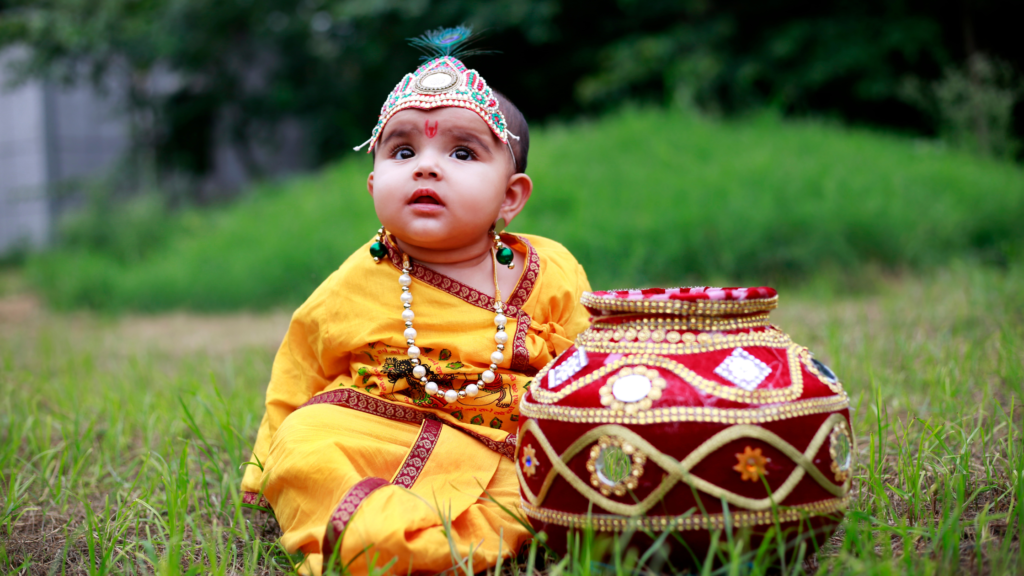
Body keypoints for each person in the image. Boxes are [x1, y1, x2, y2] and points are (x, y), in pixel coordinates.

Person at [240, 27, 592, 575]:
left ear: (510, 197)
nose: (426, 166)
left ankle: (438, 545)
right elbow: (299, 369)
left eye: (461, 151)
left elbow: (590, 366)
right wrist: (265, 465)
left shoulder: (551, 271)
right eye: (403, 150)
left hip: (501, 442)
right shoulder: (358, 278)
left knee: (537, 481)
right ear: (374, 182)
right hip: (373, 427)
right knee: (306, 439)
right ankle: (373, 534)